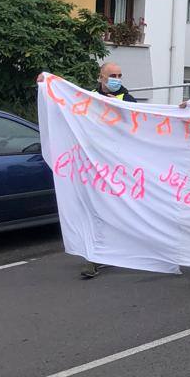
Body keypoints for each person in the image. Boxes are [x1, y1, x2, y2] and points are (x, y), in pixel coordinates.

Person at [80, 62, 138, 279]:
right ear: (101, 77)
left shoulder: (128, 100)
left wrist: (119, 109)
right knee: (95, 209)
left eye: (120, 75)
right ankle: (95, 256)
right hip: (95, 164)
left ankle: (115, 251)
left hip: (119, 165)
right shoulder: (89, 97)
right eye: (113, 75)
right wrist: (46, 83)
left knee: (117, 209)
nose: (117, 79)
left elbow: (139, 126)